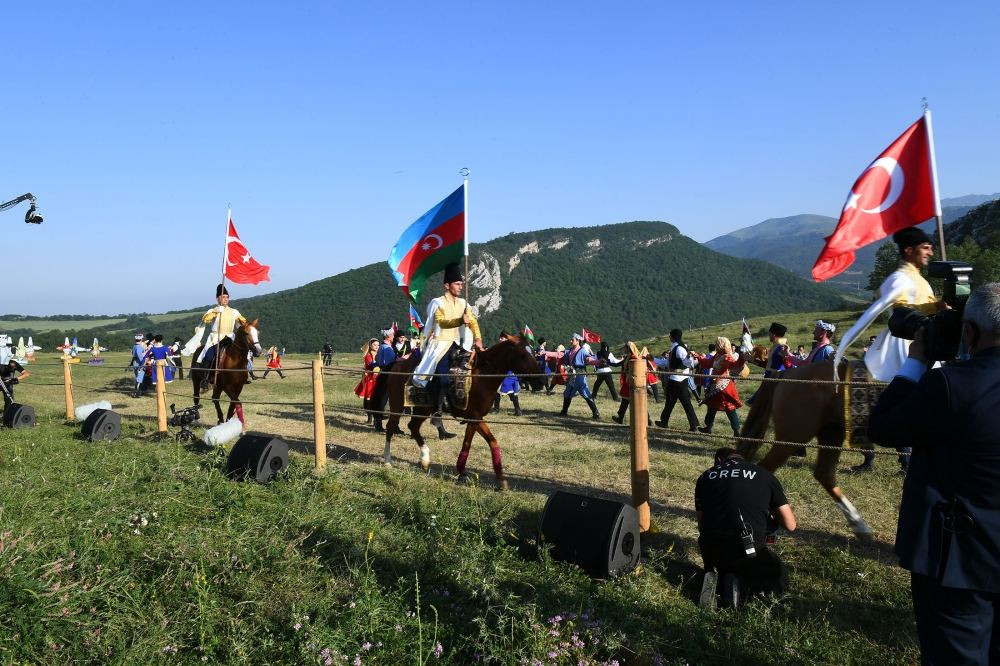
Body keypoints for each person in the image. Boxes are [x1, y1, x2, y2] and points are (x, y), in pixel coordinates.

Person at [868, 283, 1000, 665]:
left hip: (960, 557)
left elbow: (883, 428)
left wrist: (917, 362)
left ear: (969, 333)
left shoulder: (951, 385)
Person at [837, 227, 945, 474]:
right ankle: (881, 458)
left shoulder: (921, 279)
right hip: (901, 341)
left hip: (924, 342)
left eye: (930, 247)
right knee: (888, 393)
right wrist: (935, 307)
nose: (930, 252)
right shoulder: (899, 278)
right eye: (925, 247)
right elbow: (900, 311)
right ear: (909, 250)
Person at [696, 448, 797, 608]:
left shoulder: (705, 477)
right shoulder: (764, 475)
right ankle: (741, 587)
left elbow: (702, 525)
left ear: (718, 462)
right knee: (779, 575)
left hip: (712, 548)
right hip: (748, 546)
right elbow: (790, 525)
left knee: (723, 560)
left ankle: (716, 577)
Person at [411, 263, 483, 391]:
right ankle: (437, 404)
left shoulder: (463, 303)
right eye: (457, 284)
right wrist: (459, 321)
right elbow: (441, 322)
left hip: (461, 343)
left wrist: (478, 339)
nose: (461, 287)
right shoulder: (438, 303)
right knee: (442, 374)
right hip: (441, 343)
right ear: (447, 285)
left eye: (461, 284)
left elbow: (473, 322)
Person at [190, 284, 248, 389]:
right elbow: (206, 319)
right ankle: (206, 379)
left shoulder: (234, 311)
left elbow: (242, 322)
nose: (225, 299)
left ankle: (243, 374)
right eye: (223, 297)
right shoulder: (212, 311)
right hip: (215, 338)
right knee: (209, 355)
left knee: (242, 353)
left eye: (227, 297)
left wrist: (243, 322)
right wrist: (216, 311)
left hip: (230, 337)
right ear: (218, 298)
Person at [695, 336, 748, 438]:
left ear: (721, 345)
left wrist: (742, 358)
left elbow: (735, 365)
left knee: (729, 407)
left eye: (717, 343)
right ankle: (708, 427)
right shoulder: (717, 356)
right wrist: (698, 357)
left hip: (724, 386)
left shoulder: (727, 357)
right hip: (716, 385)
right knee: (712, 405)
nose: (716, 345)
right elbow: (708, 363)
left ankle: (736, 431)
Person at [653, 329, 700, 432]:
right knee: (680, 402)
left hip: (676, 380)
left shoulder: (679, 348)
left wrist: (689, 356)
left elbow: (687, 363)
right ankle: (693, 425)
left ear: (672, 337)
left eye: (670, 335)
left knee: (672, 401)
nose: (669, 337)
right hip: (680, 379)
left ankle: (665, 422)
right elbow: (668, 363)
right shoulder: (677, 347)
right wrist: (652, 359)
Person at [559, 333, 600, 419]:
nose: (570, 341)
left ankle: (595, 413)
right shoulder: (569, 351)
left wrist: (598, 362)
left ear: (578, 341)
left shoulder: (582, 351)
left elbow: (589, 359)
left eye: (572, 339)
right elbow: (558, 354)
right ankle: (564, 411)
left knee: (585, 393)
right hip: (572, 375)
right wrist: (545, 352)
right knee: (567, 393)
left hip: (580, 375)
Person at [747, 322, 790, 404]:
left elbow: (787, 364)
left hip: (775, 379)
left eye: (769, 334)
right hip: (769, 378)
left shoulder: (781, 347)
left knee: (761, 404)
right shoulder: (775, 346)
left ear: (773, 335)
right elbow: (768, 365)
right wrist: (752, 361)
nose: (768, 336)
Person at [354, 338, 379, 423]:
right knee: (368, 399)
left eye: (378, 345)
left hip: (378, 378)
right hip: (370, 379)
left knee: (377, 399)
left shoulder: (379, 354)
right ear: (370, 345)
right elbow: (371, 365)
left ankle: (376, 418)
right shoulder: (368, 355)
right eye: (375, 345)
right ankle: (370, 418)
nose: (377, 347)